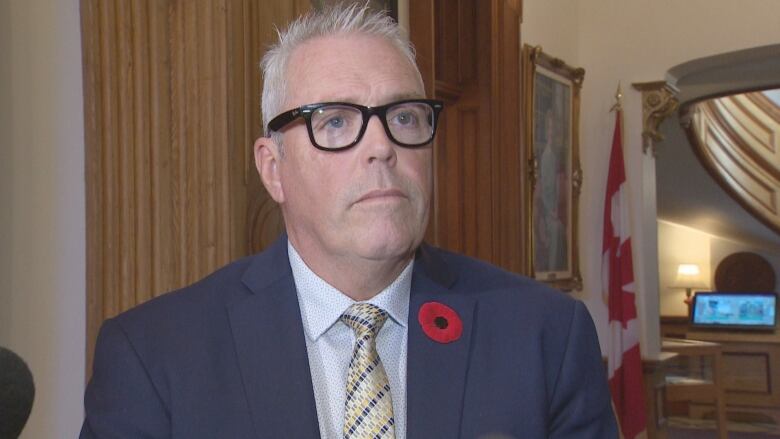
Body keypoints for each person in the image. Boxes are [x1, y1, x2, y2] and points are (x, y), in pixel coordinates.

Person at [80, 4, 617, 439]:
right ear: (274, 168)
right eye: (335, 122)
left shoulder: (545, 337)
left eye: (404, 117)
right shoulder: (155, 355)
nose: (382, 147)